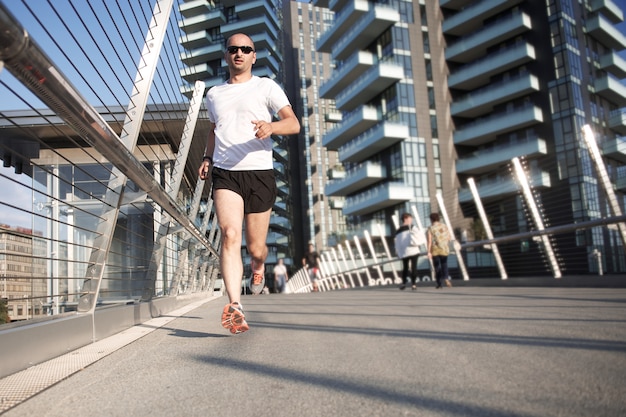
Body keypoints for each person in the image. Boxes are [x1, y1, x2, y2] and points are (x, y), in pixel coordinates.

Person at [198, 33, 300, 334]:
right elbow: (216, 130)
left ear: (253, 56)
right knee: (230, 235)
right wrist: (207, 157)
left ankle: (258, 267)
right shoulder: (214, 95)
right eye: (233, 49)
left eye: (246, 49)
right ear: (227, 56)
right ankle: (235, 305)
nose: (239, 53)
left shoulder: (266, 86)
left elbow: (293, 123)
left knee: (256, 248)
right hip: (226, 173)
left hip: (259, 173)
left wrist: (271, 126)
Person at [394, 212, 422, 290]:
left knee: (405, 267)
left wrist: (398, 252)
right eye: (410, 218)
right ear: (405, 218)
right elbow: (419, 236)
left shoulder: (398, 230)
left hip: (404, 252)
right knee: (414, 267)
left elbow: (397, 243)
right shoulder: (412, 227)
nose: (411, 219)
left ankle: (404, 283)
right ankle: (414, 284)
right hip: (413, 249)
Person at [427, 212, 452, 289]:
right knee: (444, 264)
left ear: (431, 219)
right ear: (438, 218)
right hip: (444, 248)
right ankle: (446, 278)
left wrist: (429, 252)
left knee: (437, 267)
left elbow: (429, 241)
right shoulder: (444, 226)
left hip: (435, 249)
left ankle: (439, 283)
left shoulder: (430, 228)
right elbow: (449, 237)